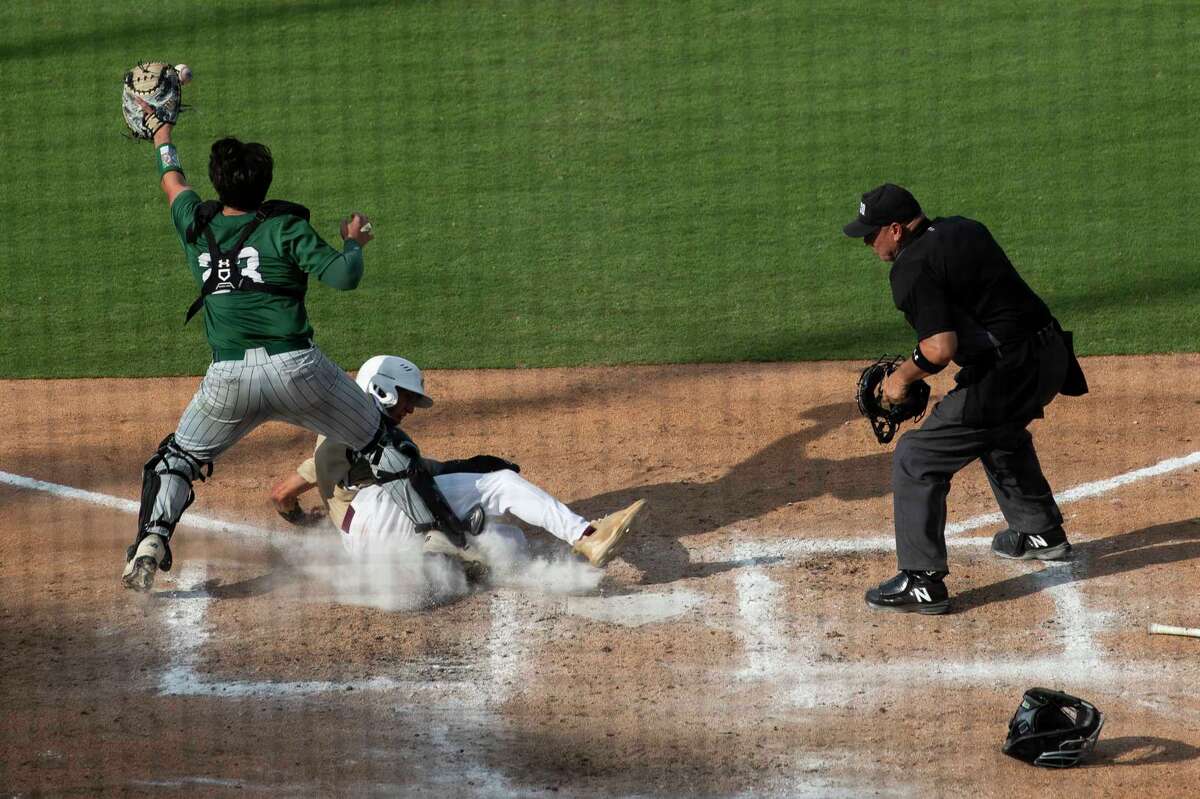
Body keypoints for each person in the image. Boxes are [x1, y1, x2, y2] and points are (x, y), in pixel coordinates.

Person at [122, 120, 485, 591]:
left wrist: (161, 134)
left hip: (227, 377)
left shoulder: (196, 222)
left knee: (177, 459)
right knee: (384, 443)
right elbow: (342, 277)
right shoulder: (284, 228)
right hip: (298, 371)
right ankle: (437, 535)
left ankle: (152, 541)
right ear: (264, 184)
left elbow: (173, 180)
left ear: (218, 183)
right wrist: (355, 241)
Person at [842, 184, 1088, 615]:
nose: (866, 241)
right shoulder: (963, 228)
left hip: (1010, 371)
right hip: (1051, 354)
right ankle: (1040, 533)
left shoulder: (910, 268)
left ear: (896, 229)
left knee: (916, 457)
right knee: (998, 431)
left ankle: (921, 582)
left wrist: (899, 379)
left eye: (871, 233)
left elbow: (940, 349)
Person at [270, 355, 646, 569]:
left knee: (510, 544)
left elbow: (281, 494)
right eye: (405, 399)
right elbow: (416, 477)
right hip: (382, 512)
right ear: (381, 389)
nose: (409, 409)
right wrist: (457, 522)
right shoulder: (380, 437)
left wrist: (301, 520)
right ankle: (587, 536)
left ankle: (439, 563)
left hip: (365, 549)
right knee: (500, 485)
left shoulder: (336, 433)